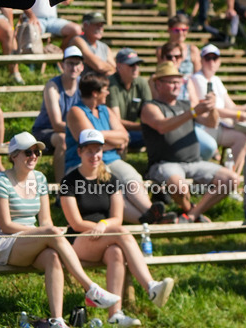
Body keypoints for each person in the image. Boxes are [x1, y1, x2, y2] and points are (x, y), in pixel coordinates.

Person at [0, 132, 120, 328]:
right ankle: (91, 289)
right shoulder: (1, 181)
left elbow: (45, 221)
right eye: (28, 152)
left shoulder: (40, 179)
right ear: (13, 156)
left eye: (37, 152)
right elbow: (6, 225)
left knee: (53, 255)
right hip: (4, 242)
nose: (34, 156)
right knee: (52, 233)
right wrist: (45, 232)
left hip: (30, 241)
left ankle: (56, 321)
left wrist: (48, 233)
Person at [59, 129, 175, 328]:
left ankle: (115, 316)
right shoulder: (69, 182)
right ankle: (150, 287)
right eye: (89, 151)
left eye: (98, 150)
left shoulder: (110, 180)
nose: (94, 155)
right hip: (78, 240)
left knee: (116, 253)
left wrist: (103, 226)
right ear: (79, 152)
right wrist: (98, 228)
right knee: (123, 233)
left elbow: (117, 217)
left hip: (105, 237)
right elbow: (76, 222)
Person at [140, 61, 239, 223]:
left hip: (194, 162)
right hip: (165, 163)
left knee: (232, 179)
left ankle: (192, 214)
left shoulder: (186, 105)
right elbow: (162, 126)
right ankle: (191, 211)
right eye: (171, 82)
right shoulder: (150, 107)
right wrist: (192, 112)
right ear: (158, 84)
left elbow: (211, 123)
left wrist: (212, 107)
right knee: (180, 186)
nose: (176, 86)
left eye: (178, 82)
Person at [65, 71, 163, 224]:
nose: (108, 92)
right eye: (105, 89)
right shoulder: (75, 112)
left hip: (111, 158)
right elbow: (89, 142)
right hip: (87, 161)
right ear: (95, 93)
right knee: (111, 186)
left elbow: (124, 136)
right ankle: (145, 221)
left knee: (131, 178)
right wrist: (113, 140)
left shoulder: (105, 110)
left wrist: (101, 136)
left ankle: (152, 212)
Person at [191, 44, 246, 175]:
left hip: (224, 123)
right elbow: (211, 109)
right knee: (242, 138)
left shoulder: (216, 80)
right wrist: (240, 115)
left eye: (215, 58)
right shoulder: (198, 79)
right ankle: (230, 178)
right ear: (202, 60)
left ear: (219, 61)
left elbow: (230, 105)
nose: (211, 62)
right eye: (208, 58)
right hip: (208, 126)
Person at [31, 46, 84, 184]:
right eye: (70, 63)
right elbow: (56, 124)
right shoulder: (52, 86)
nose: (74, 67)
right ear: (62, 65)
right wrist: (83, 131)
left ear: (82, 67)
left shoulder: (83, 85)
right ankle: (63, 189)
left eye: (77, 63)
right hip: (45, 131)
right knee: (63, 139)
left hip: (73, 131)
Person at [107, 48, 152, 149]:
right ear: (118, 66)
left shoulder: (142, 83)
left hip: (133, 131)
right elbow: (116, 121)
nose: (136, 68)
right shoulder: (110, 84)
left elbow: (150, 111)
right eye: (131, 64)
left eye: (137, 64)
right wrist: (142, 127)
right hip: (113, 131)